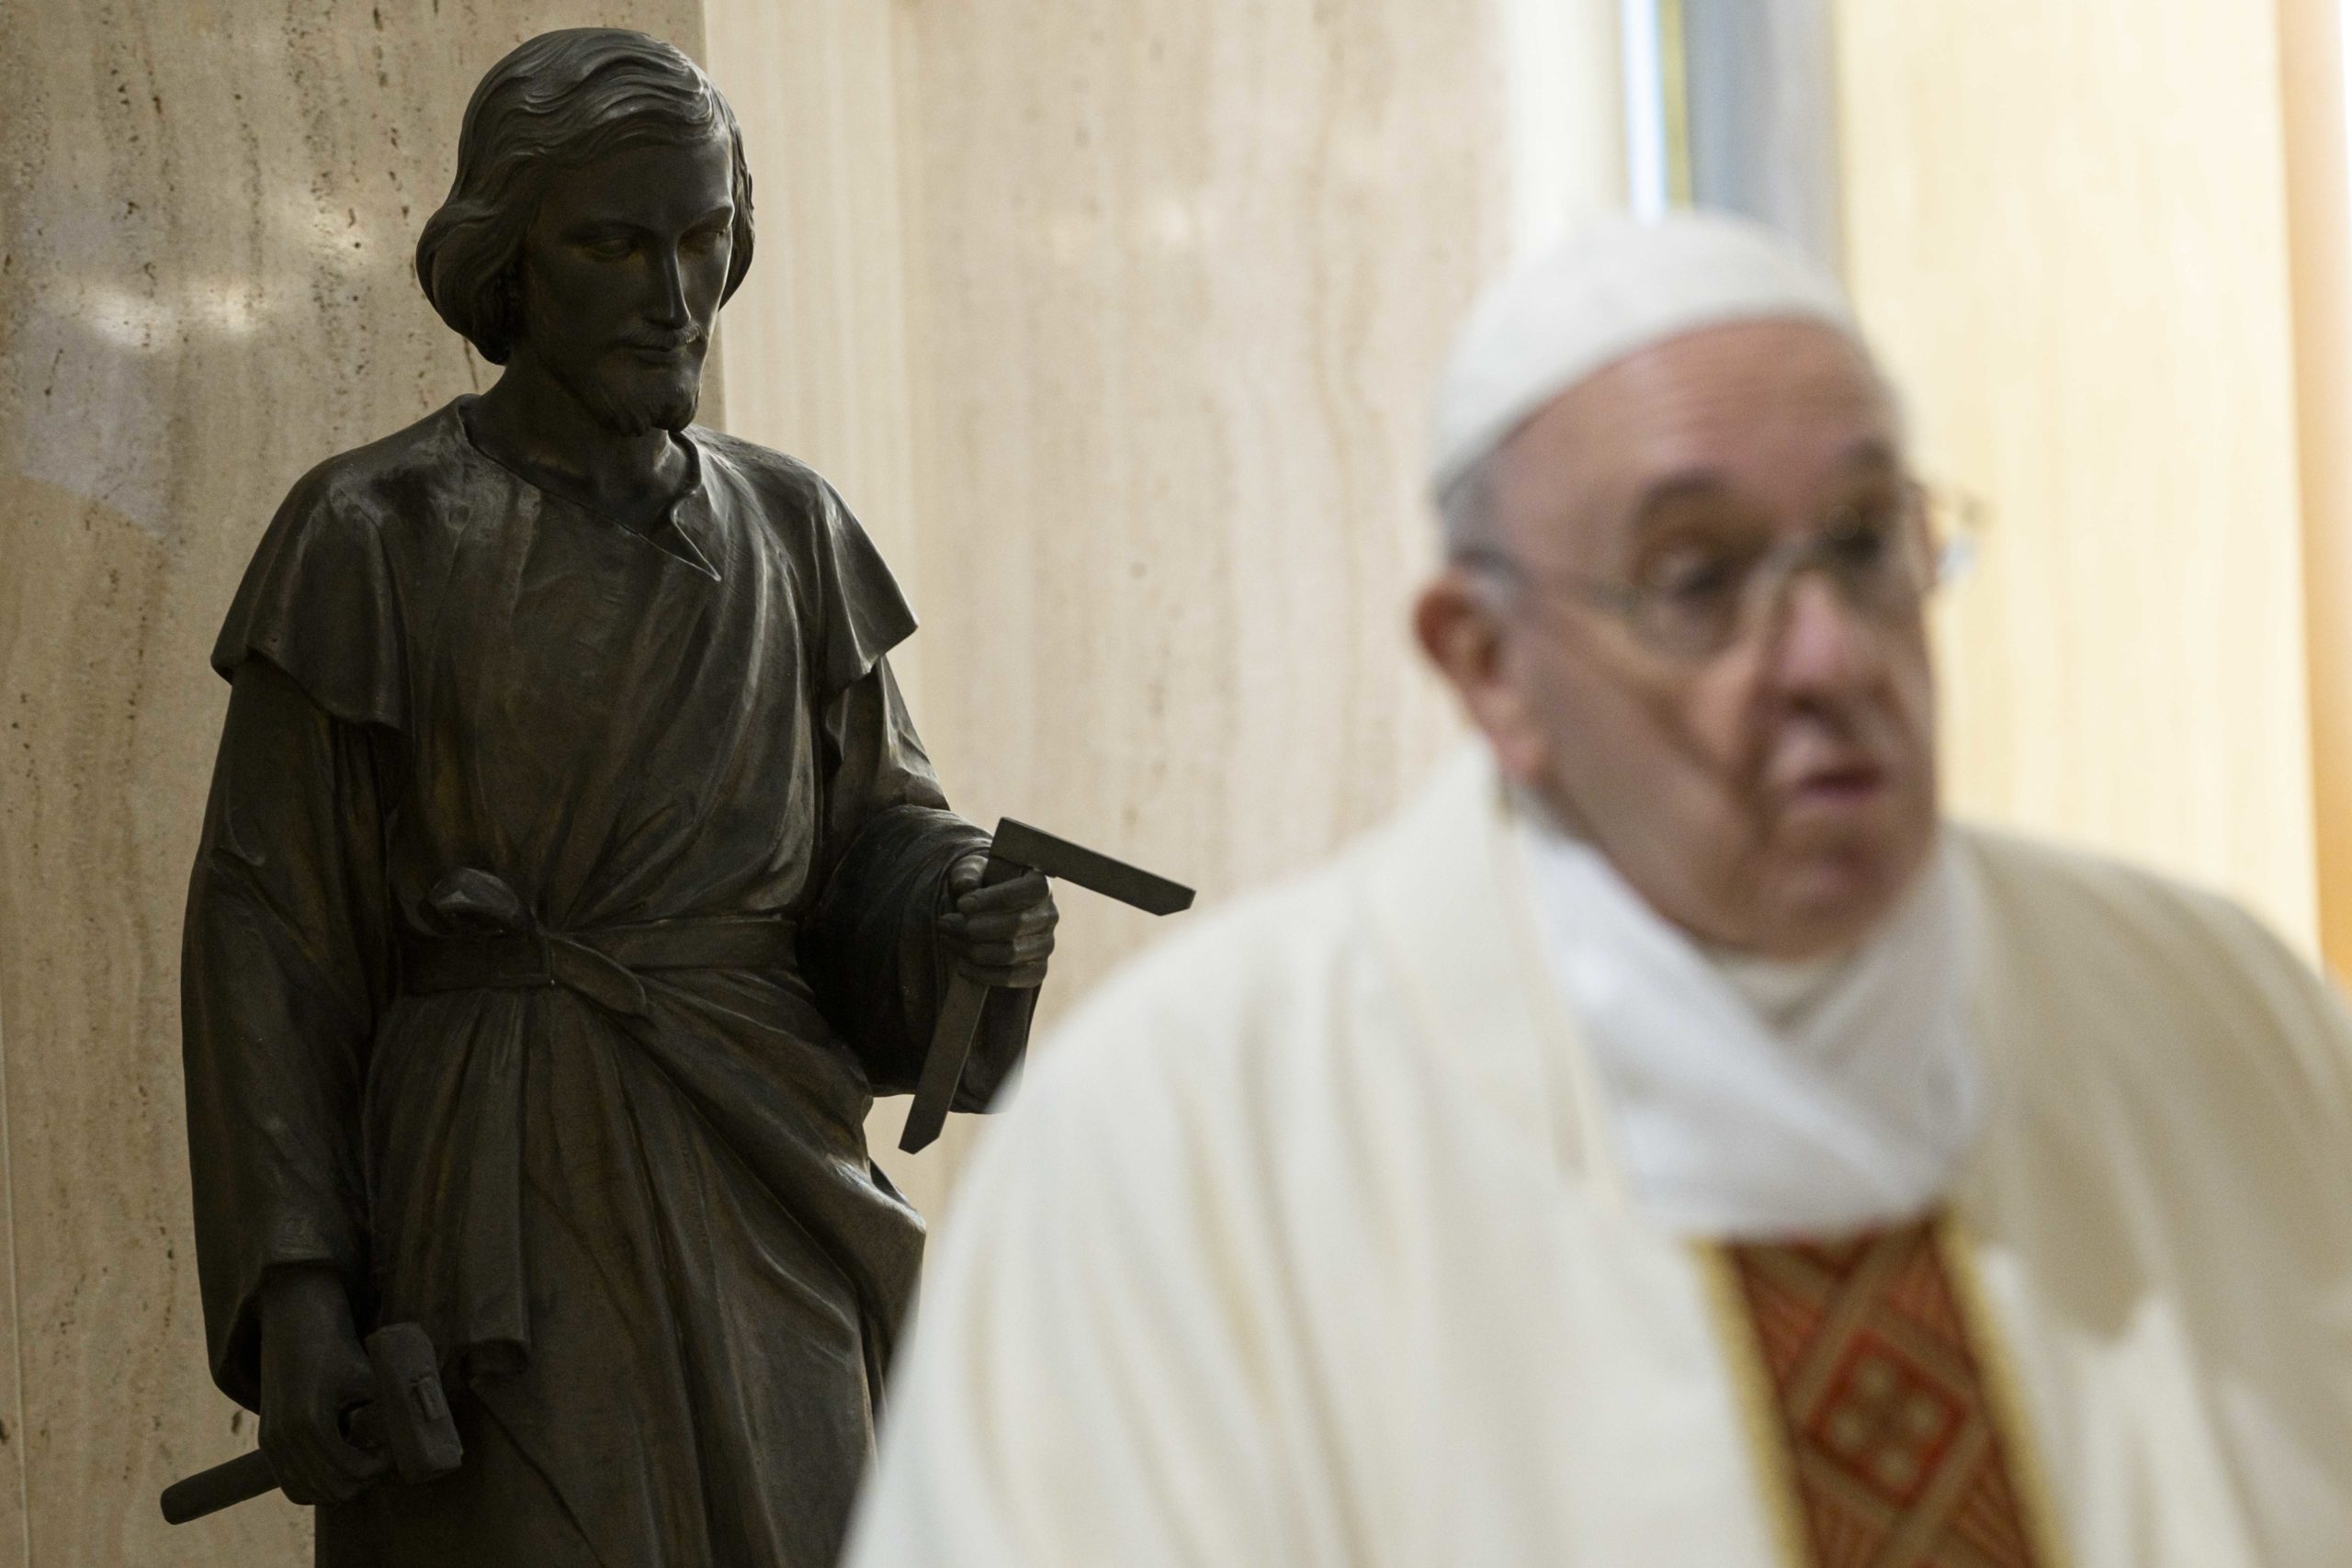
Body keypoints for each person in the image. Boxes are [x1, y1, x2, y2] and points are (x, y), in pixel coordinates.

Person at [843, 212, 2352, 1567]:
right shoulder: (1184, 1145)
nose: (1830, 656)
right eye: (1697, 579)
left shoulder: (2223, 1017)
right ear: (1488, 664)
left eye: (1864, 543)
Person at [178, 28, 1057, 1566]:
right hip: (497, 1198)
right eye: (614, 245)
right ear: (509, 261)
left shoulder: (793, 529)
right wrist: (300, 1292)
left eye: (704, 238)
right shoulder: (370, 533)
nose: (675, 295)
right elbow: (270, 938)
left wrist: (960, 915)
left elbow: (882, 837)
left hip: (768, 1177)